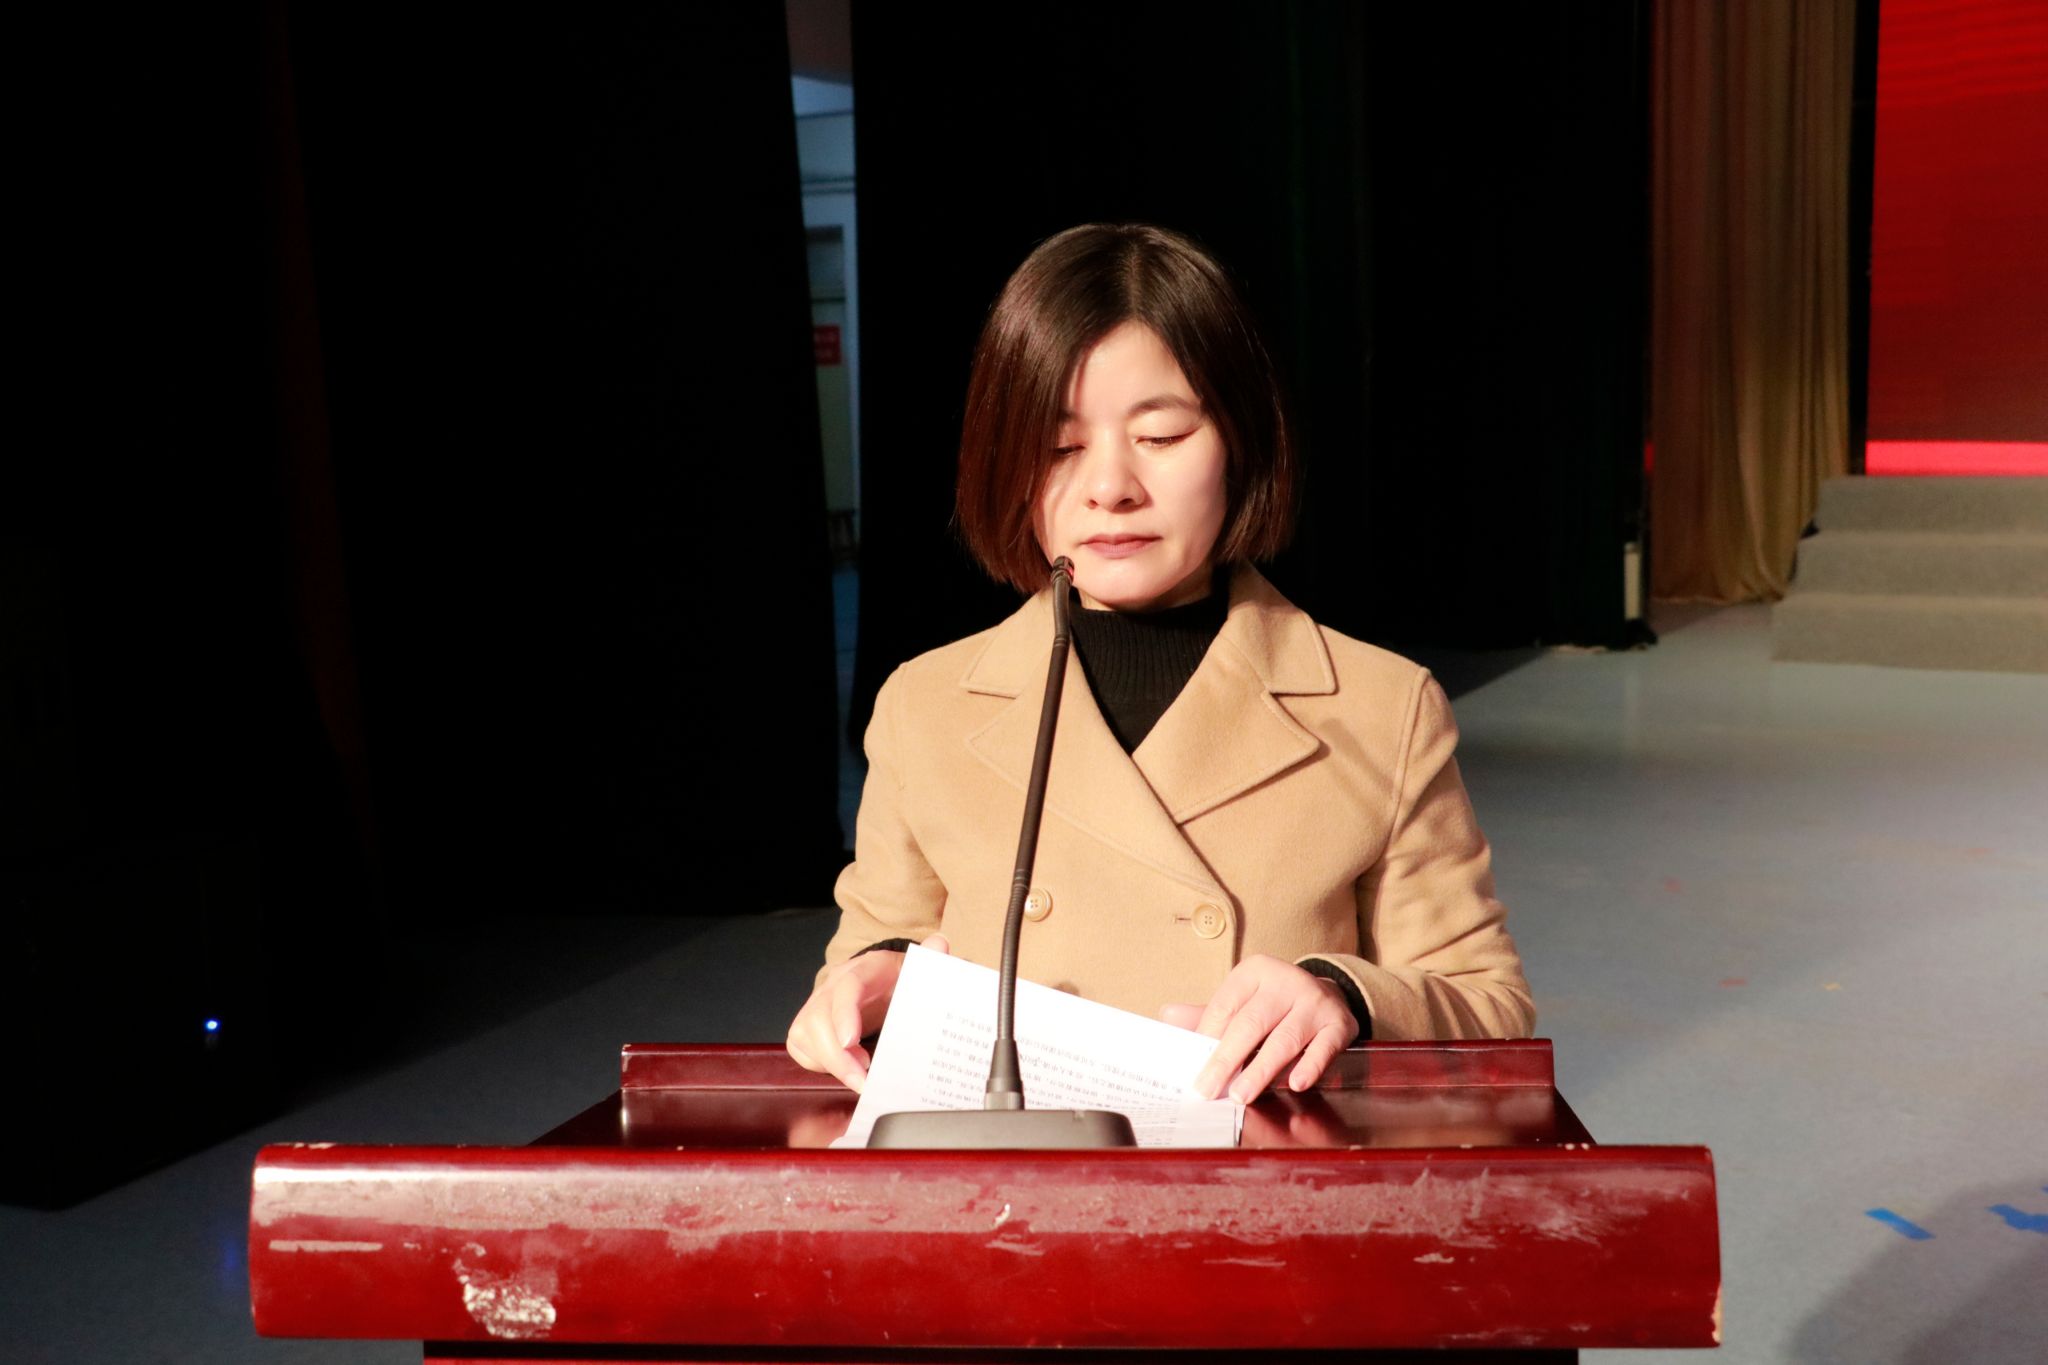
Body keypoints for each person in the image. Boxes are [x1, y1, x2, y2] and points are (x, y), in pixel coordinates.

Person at [786, 223, 1532, 1108]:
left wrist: (1346, 996)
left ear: (1240, 443)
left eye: (1163, 434)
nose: (1110, 487)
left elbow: (1492, 1013)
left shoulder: (1382, 707)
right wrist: (871, 984)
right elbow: (875, 950)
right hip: (1015, 1181)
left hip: (1258, 1183)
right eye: (1060, 444)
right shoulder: (925, 707)